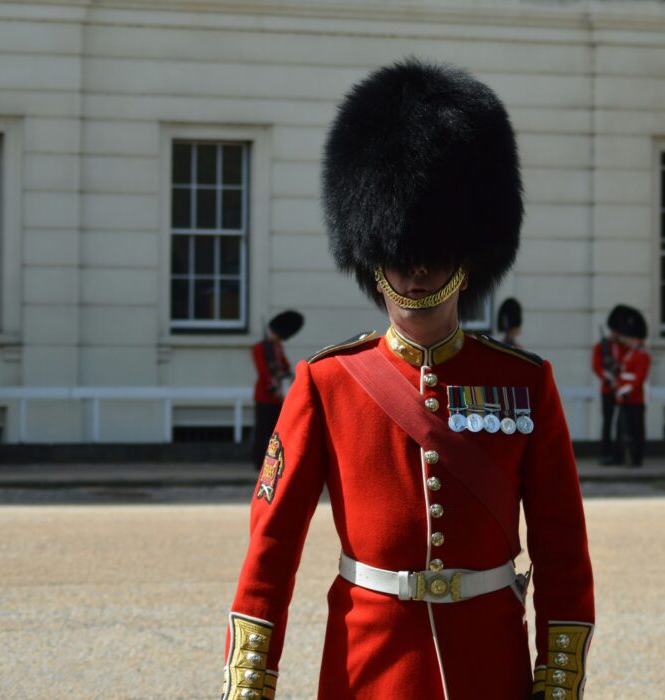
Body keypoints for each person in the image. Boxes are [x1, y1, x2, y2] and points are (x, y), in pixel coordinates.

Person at [222, 60, 595, 700]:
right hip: (368, 665)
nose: (416, 272)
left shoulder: (525, 383)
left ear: (467, 257)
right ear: (373, 260)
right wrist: (250, 679)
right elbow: (272, 548)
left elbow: (562, 547)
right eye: (400, 256)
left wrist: (557, 679)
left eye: (435, 254)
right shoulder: (327, 381)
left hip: (489, 665)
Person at [250, 310, 304, 468]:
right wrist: (273, 381)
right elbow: (263, 371)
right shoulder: (260, 348)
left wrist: (285, 374)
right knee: (262, 431)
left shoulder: (277, 347)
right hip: (264, 395)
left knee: (276, 432)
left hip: (278, 396)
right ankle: (258, 462)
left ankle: (271, 461)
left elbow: (285, 365)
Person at [591, 306, 630, 465]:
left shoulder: (623, 346)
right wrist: (607, 377)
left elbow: (627, 364)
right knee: (607, 422)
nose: (616, 334)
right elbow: (596, 365)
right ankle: (605, 453)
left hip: (620, 389)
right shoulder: (601, 346)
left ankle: (618, 455)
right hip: (608, 388)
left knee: (621, 423)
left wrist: (619, 372)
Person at [614, 307, 650, 467]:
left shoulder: (642, 355)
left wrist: (626, 391)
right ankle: (623, 456)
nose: (625, 340)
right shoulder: (629, 353)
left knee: (636, 430)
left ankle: (637, 458)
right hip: (623, 396)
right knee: (623, 429)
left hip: (634, 397)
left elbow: (639, 377)